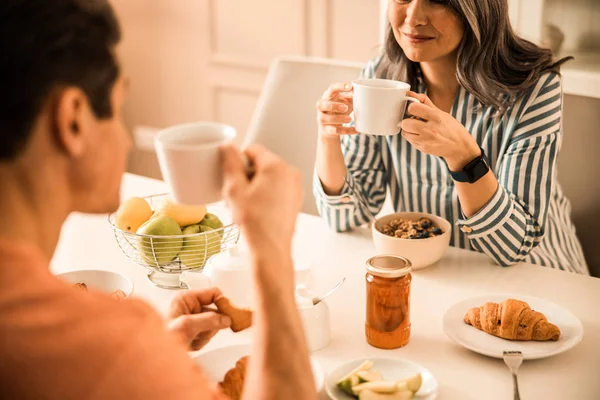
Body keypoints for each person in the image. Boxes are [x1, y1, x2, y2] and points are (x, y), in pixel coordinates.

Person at [0, 1, 315, 399]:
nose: (127, 139)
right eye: (119, 109)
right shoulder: (103, 340)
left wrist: (151, 364)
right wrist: (271, 250)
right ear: (73, 120)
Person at [314, 0, 588, 274]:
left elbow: (513, 247)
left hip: (539, 275)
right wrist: (329, 136)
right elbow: (344, 216)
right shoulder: (381, 78)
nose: (413, 17)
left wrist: (465, 157)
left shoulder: (536, 87)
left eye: (437, 0)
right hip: (438, 273)